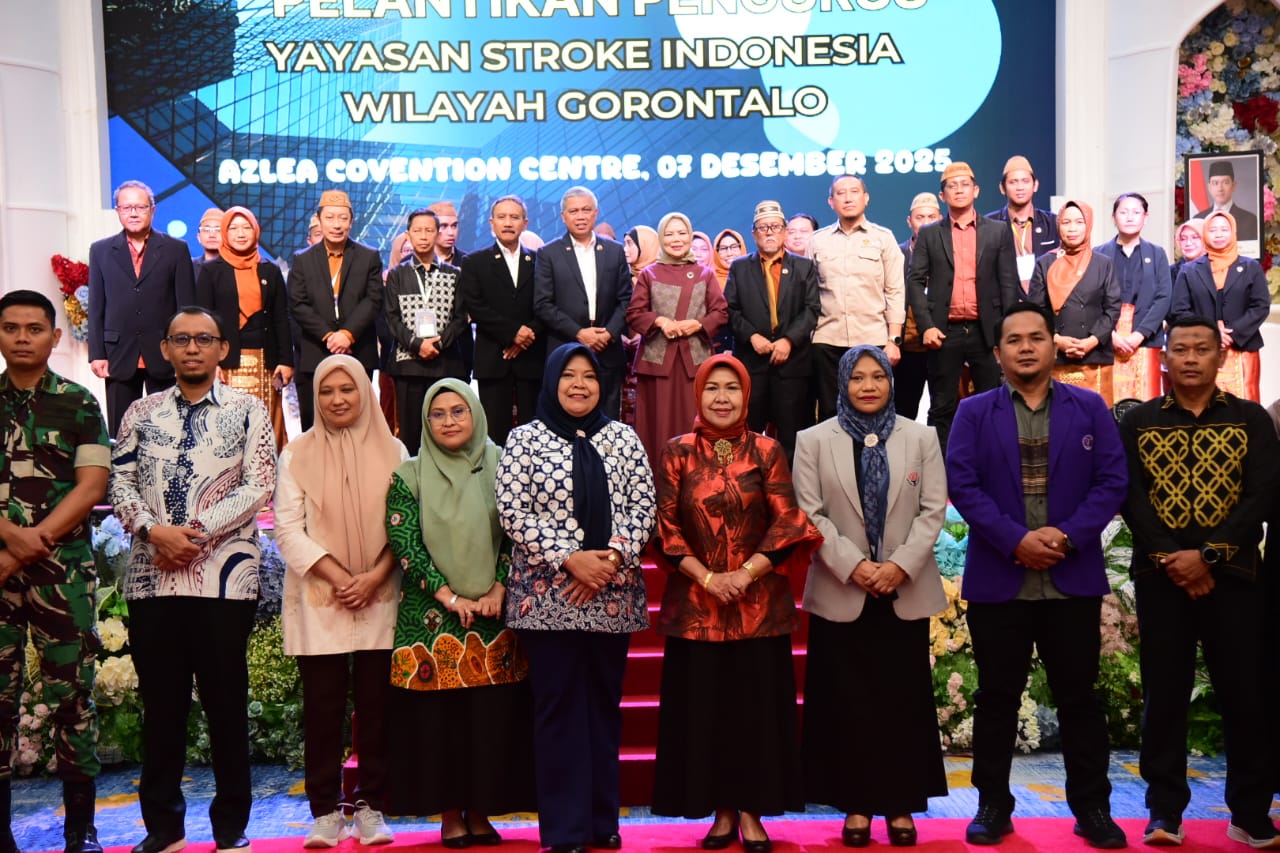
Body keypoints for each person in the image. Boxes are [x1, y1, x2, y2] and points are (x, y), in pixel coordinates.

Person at [945, 303, 1128, 850]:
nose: (1025, 347)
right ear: (997, 353)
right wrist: (1014, 540)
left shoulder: (1089, 407)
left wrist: (1067, 537)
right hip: (1000, 580)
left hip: (1071, 578)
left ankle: (1092, 809)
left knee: (1079, 700)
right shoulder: (973, 412)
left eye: (1036, 338)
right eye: (1014, 340)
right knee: (996, 699)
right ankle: (992, 806)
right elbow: (963, 484)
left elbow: (1112, 481)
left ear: (1053, 346)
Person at [109, 307, 276, 853]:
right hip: (152, 579)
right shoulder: (141, 411)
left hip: (223, 580)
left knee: (226, 705)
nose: (192, 348)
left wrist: (194, 534)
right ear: (165, 349)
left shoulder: (249, 410)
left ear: (222, 349)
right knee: (162, 708)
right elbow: (120, 480)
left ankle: (230, 828)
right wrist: (154, 531)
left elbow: (259, 485)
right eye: (181, 339)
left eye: (204, 339)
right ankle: (163, 830)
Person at [1119, 316, 1280, 849]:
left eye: (1201, 349)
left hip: (1235, 579)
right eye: (1181, 349)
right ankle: (1164, 811)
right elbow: (1131, 497)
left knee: (1245, 696)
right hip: (1161, 578)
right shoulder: (1139, 421)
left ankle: (1250, 813)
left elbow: (1262, 496)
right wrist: (1173, 559)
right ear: (1164, 358)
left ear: (1220, 357)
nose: (1190, 358)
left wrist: (1207, 557)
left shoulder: (1251, 419)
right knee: (1164, 696)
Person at [651, 354, 820, 851]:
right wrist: (708, 578)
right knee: (706, 714)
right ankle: (720, 813)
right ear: (698, 394)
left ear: (747, 395)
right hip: (696, 610)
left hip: (758, 606)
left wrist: (744, 575)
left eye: (731, 388)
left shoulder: (767, 450)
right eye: (712, 388)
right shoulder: (677, 452)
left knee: (755, 714)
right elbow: (665, 526)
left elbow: (788, 520)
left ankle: (751, 813)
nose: (721, 398)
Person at [496, 343, 656, 853]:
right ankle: (565, 830)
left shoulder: (623, 438)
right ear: (552, 381)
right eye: (569, 375)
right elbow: (513, 510)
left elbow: (643, 506)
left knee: (603, 708)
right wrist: (571, 559)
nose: (580, 385)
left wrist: (608, 560)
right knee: (558, 709)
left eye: (589, 375)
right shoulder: (524, 439)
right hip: (548, 597)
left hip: (611, 594)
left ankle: (602, 821)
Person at [793, 345, 948, 849]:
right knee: (848, 703)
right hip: (843, 588)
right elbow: (809, 514)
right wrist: (854, 565)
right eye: (857, 377)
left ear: (890, 382)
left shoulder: (920, 437)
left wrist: (898, 565)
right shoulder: (813, 440)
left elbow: (932, 510)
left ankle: (900, 803)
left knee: (902, 702)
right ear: (843, 382)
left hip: (903, 589)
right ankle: (856, 805)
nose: (867, 386)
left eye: (877, 376)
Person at [385, 379, 536, 844]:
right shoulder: (408, 475)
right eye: (438, 414)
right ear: (425, 421)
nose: (449, 421)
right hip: (430, 617)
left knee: (488, 722)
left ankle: (482, 811)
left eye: (458, 411)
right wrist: (449, 596)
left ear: (475, 414)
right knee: (440, 725)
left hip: (493, 613)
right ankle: (451, 814)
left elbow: (519, 531)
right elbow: (405, 543)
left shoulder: (504, 466)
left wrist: (499, 586)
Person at [275, 355, 405, 848]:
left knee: (377, 707)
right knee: (323, 708)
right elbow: (288, 529)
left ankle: (372, 805)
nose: (337, 399)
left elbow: (405, 523)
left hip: (380, 593)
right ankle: (325, 810)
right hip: (321, 596)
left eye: (347, 389)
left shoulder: (395, 451)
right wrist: (340, 576)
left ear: (363, 392)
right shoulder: (297, 454)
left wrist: (374, 577)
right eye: (326, 391)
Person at [0, 291, 110, 853]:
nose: (22, 337)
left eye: (34, 328)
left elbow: (92, 486)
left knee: (72, 698)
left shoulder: (80, 402)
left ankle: (80, 828)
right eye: (11, 328)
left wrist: (25, 545)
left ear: (54, 336)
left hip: (62, 575)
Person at [906, 162, 1020, 456]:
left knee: (993, 404)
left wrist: (1007, 332)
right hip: (944, 331)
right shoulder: (930, 233)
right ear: (942, 195)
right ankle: (941, 473)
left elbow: (1009, 283)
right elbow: (915, 281)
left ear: (976, 190)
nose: (959, 190)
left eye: (965, 184)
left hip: (987, 332)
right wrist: (927, 325)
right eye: (952, 186)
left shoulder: (998, 231)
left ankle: (992, 466)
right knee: (942, 407)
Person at [88, 179, 197, 437]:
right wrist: (97, 353)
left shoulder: (176, 249)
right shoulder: (101, 250)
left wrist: (185, 351)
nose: (133, 213)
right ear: (118, 211)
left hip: (165, 352)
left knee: (170, 430)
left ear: (152, 210)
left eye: (140, 207)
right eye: (126, 207)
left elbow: (187, 308)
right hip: (118, 353)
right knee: (121, 432)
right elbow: (96, 305)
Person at [626, 211, 728, 465]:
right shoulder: (649, 274)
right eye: (670, 234)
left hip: (694, 363)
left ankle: (697, 480)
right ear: (661, 238)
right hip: (657, 365)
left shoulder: (704, 273)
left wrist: (697, 324)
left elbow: (720, 312)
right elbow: (634, 314)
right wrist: (660, 322)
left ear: (690, 236)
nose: (676, 239)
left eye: (682, 233)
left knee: (694, 425)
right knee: (657, 428)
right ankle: (659, 483)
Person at [723, 201, 820, 463]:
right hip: (752, 364)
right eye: (763, 228)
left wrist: (788, 341)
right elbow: (729, 309)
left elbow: (812, 309)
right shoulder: (740, 267)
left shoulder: (803, 266)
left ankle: (789, 487)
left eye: (775, 227)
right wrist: (752, 336)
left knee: (792, 439)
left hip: (793, 366)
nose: (769, 232)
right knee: (748, 437)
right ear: (754, 234)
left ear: (785, 232)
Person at [196, 206, 294, 453]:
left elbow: (281, 318)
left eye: (246, 227)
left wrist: (286, 360)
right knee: (227, 426)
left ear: (256, 230)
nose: (240, 233)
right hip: (225, 362)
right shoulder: (211, 271)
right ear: (225, 232)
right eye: (233, 228)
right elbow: (203, 321)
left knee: (265, 425)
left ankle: (266, 474)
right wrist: (209, 362)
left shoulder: (270, 270)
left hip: (266, 362)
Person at [808, 175, 906, 422]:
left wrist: (893, 340)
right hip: (827, 340)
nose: (848, 198)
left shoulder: (884, 238)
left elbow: (895, 291)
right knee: (830, 414)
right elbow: (808, 294)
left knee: (872, 413)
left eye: (854, 191)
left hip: (872, 339)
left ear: (866, 198)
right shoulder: (817, 241)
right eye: (841, 193)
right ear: (831, 201)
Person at [533, 187, 633, 419]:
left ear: (595, 213)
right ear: (563, 216)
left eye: (586, 210)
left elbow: (626, 299)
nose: (580, 216)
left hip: (608, 350)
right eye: (574, 211)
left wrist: (608, 334)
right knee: (565, 419)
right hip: (565, 348)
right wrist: (579, 333)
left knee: (607, 421)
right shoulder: (548, 253)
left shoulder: (615, 251)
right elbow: (543, 304)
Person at [288, 189, 383, 431]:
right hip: (315, 350)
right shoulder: (302, 259)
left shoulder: (369, 256)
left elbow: (373, 300)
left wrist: (348, 335)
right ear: (319, 220)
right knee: (316, 426)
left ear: (351, 222)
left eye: (343, 218)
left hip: (358, 350)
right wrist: (329, 336)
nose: (337, 225)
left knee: (358, 423)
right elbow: (298, 303)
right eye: (330, 218)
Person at [461, 195, 546, 445]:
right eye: (502, 217)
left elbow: (547, 303)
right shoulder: (474, 262)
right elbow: (475, 306)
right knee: (494, 435)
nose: (508, 223)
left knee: (534, 434)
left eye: (514, 217)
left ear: (525, 223)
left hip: (532, 357)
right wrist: (512, 334)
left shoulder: (540, 260)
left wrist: (527, 335)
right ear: (492, 223)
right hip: (493, 359)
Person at [384, 208, 471, 454]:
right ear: (408, 235)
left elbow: (460, 317)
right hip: (408, 365)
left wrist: (438, 344)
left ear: (437, 233)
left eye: (429, 230)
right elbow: (391, 317)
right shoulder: (397, 274)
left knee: (446, 431)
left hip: (445, 363)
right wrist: (417, 344)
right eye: (417, 231)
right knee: (411, 434)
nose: (423, 236)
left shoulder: (454, 274)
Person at [1026, 201, 1120, 405]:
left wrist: (1091, 341)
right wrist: (1057, 340)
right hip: (1054, 355)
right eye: (1066, 222)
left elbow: (1112, 308)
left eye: (1079, 222)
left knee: (1096, 418)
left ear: (1088, 225)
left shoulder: (1103, 263)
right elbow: (1035, 312)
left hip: (1095, 355)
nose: (1072, 228)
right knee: (1056, 417)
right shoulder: (1045, 263)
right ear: (1058, 226)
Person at [1170, 210, 1269, 402]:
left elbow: (1260, 306)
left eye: (1224, 229)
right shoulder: (1189, 270)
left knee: (1245, 404)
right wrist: (1211, 332)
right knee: (1203, 402)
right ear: (1205, 233)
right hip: (1202, 347)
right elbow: (1180, 309)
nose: (1218, 234)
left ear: (1233, 232)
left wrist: (1233, 333)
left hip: (1243, 346)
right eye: (1213, 230)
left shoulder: (1250, 267)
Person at [1093, 192, 1172, 403]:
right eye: (1123, 212)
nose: (1130, 217)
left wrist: (1139, 334)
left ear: (1145, 217)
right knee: (1108, 402)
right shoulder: (1098, 254)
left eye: (1136, 212)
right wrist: (1110, 335)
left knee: (1146, 401)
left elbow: (1164, 297)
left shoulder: (1157, 253)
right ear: (1113, 217)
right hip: (1108, 339)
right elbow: (1092, 298)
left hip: (1146, 340)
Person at [896, 192, 943, 420]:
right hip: (908, 347)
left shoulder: (950, 253)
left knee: (943, 411)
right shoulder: (897, 254)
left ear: (940, 219)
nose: (925, 223)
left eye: (931, 217)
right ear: (909, 221)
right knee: (903, 413)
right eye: (919, 217)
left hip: (942, 344)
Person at [984, 155, 1061, 291]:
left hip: (1044, 299)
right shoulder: (989, 225)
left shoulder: (1053, 223)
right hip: (1005, 300)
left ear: (1035, 185)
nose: (1020, 187)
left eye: (1025, 181)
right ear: (1002, 188)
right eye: (1013, 182)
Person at [1193, 159, 1259, 242]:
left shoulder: (1249, 220)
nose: (1220, 189)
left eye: (1225, 183)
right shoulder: (1198, 219)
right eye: (1215, 183)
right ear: (1209, 187)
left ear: (1233, 186)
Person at [430, 200, 468, 267]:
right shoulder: (414, 262)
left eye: (454, 226)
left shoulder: (469, 262)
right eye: (443, 226)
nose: (451, 233)